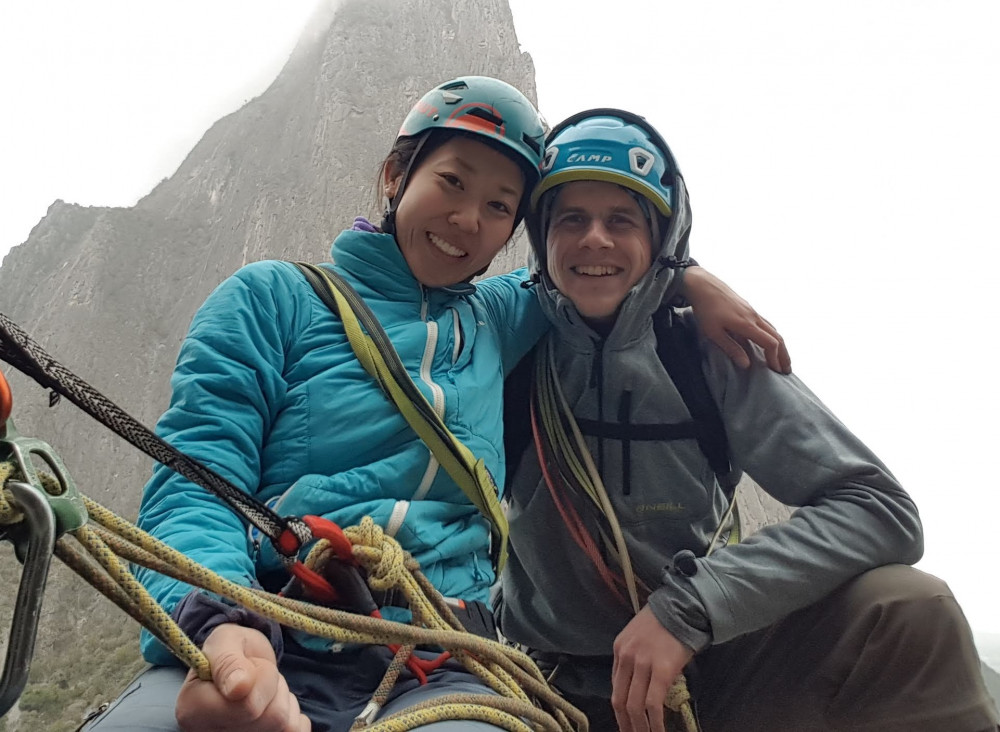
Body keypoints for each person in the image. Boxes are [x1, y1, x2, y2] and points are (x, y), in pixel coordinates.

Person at [80, 80, 788, 732]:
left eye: (499, 207)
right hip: (273, 618)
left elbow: (598, 265)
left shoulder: (500, 317)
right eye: (451, 181)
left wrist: (688, 278)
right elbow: (196, 480)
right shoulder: (273, 299)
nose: (466, 219)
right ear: (397, 174)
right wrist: (227, 630)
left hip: (443, 657)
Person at [496, 107, 1000, 732]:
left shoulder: (709, 355)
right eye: (571, 218)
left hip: (709, 671)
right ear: (542, 237)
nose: (594, 238)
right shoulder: (508, 348)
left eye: (622, 220)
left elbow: (880, 507)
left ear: (660, 241)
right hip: (544, 682)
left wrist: (693, 606)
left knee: (909, 608)